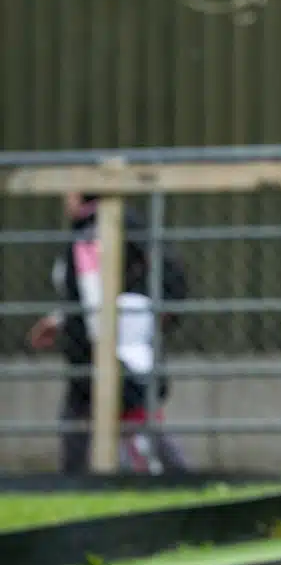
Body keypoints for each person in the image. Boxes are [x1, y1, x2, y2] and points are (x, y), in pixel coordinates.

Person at [28, 192, 189, 474]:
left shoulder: (95, 231)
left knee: (115, 413)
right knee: (121, 414)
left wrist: (94, 341)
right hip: (124, 336)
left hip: (107, 340)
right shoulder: (123, 225)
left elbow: (91, 292)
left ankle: (79, 482)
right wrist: (62, 320)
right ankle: (173, 474)